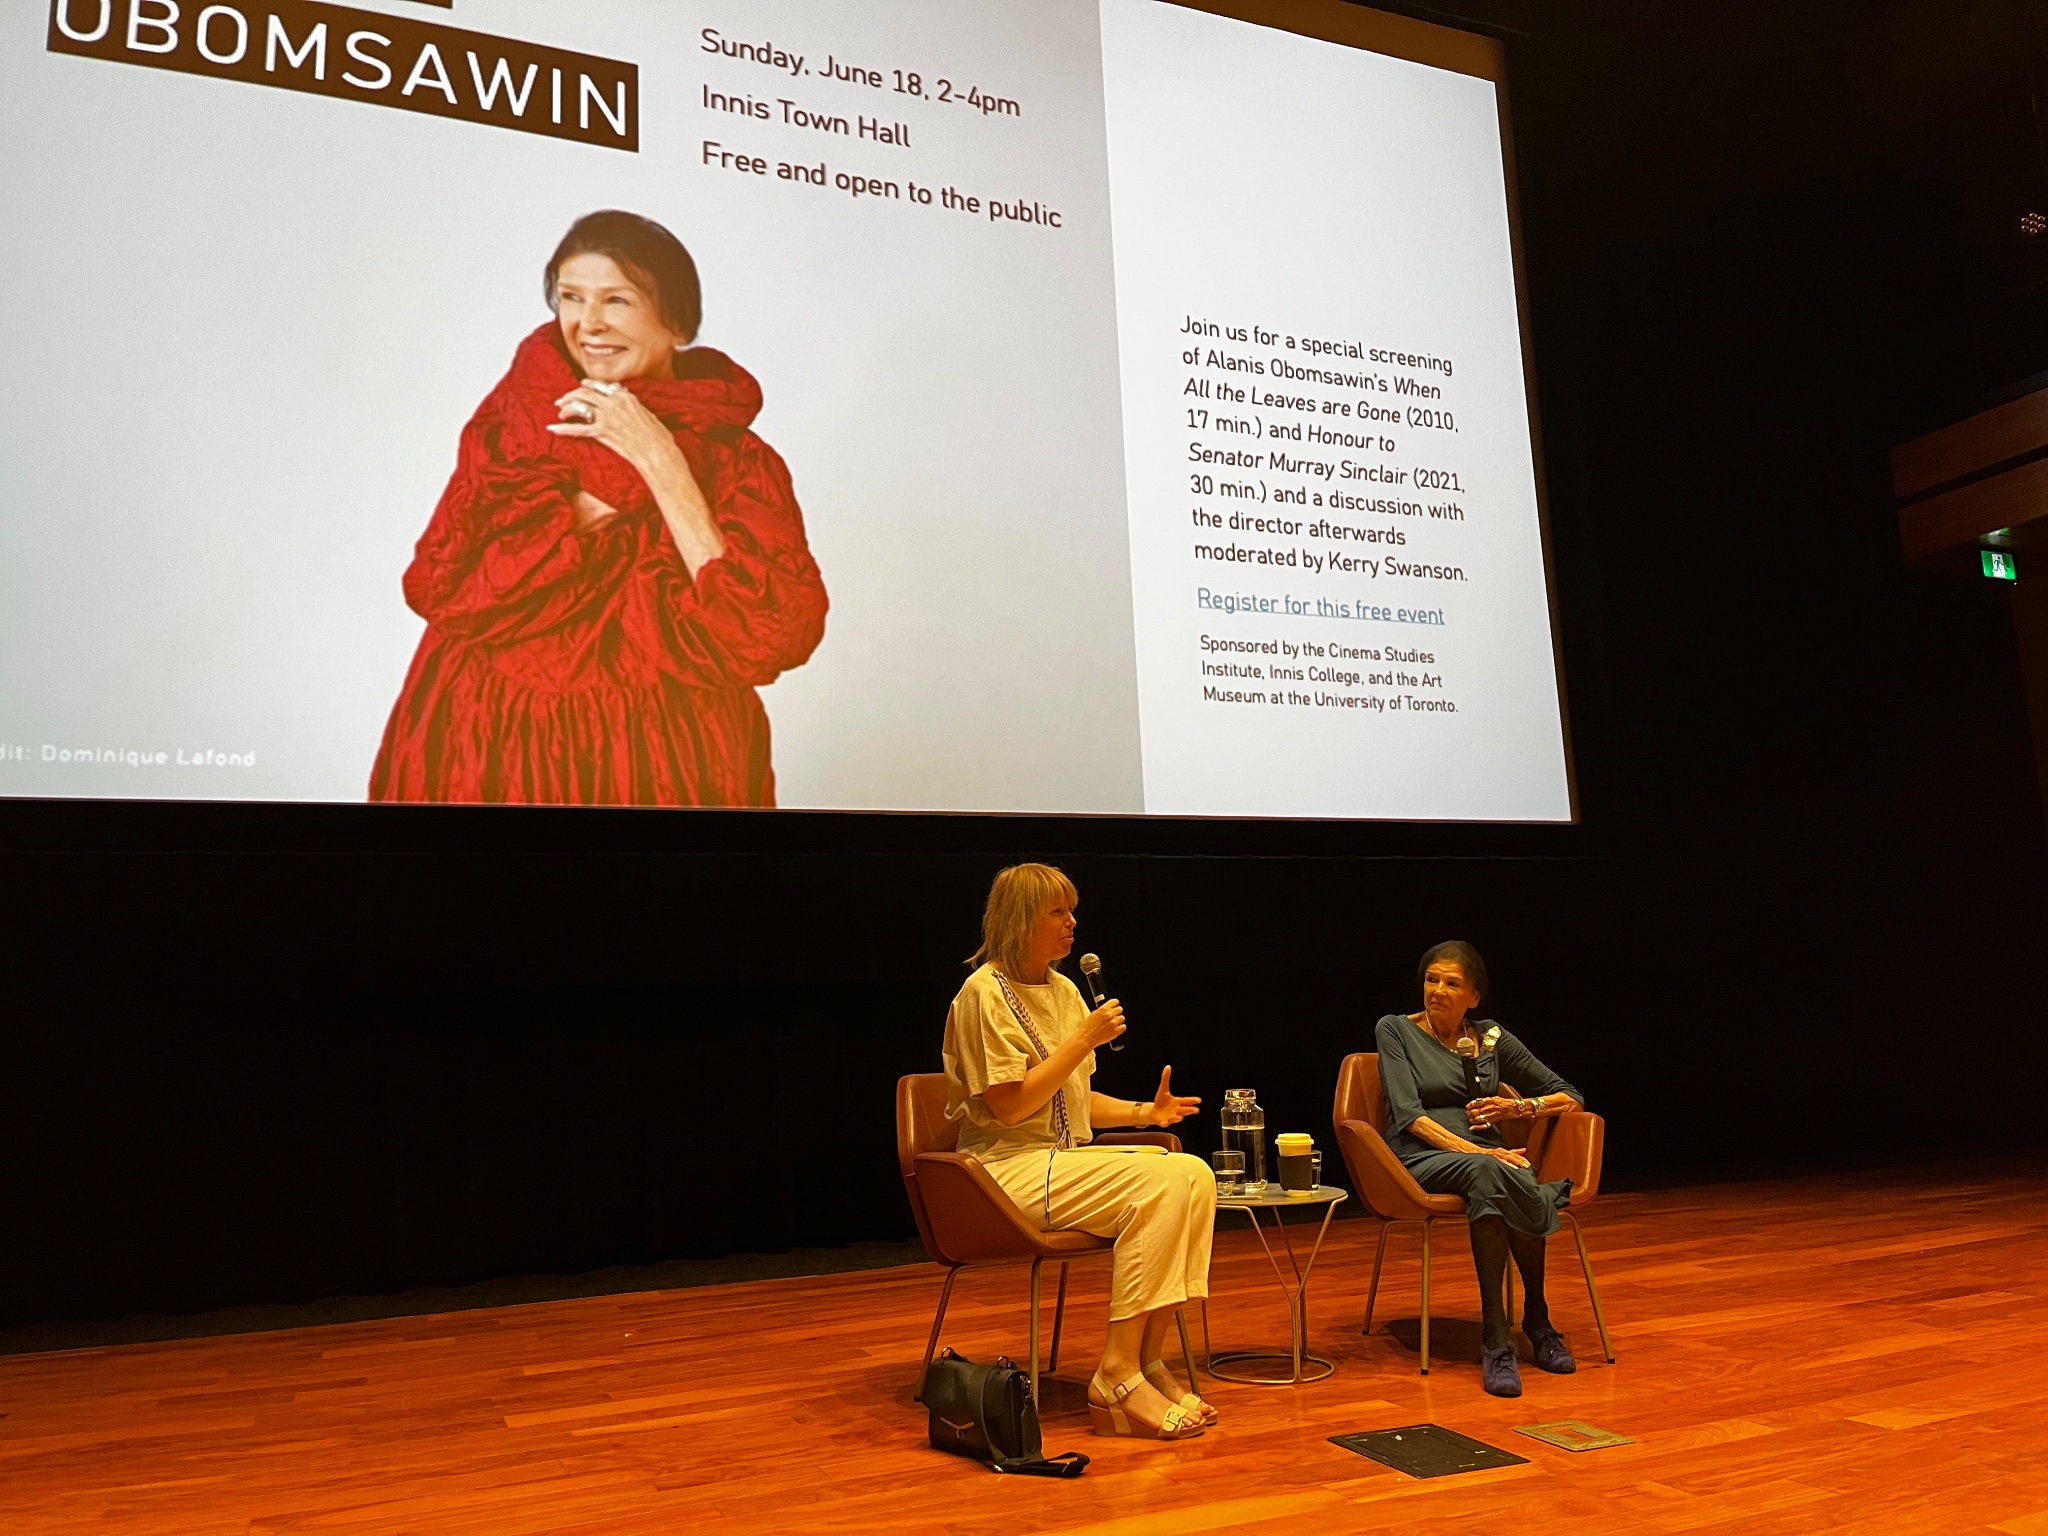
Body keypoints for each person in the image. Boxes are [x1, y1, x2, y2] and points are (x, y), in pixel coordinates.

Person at [371, 210, 828, 806]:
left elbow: (769, 634)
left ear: (678, 324)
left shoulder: (738, 461)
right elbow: (441, 586)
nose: (588, 324)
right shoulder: (513, 424)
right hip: (485, 741)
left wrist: (661, 463)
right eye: (570, 297)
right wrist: (600, 498)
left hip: (660, 761)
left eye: (616, 300)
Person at [942, 863, 1218, 1440]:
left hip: (1059, 1161)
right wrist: (1082, 1040)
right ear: (1022, 920)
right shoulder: (983, 994)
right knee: (1162, 1182)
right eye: (1059, 912)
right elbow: (1013, 1106)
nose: (1074, 923)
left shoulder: (1064, 989)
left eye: (1073, 910)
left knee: (1192, 1174)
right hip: (999, 1170)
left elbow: (1074, 1098)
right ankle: (1115, 1375)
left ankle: (1147, 1359)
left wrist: (1145, 1113)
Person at [1375, 940, 1584, 1398]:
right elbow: (1409, 1116)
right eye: (1432, 980)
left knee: (1503, 1177)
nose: (1438, 991)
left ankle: (1527, 1323)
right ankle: (1503, 1334)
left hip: (1490, 1160)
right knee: (1507, 1174)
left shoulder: (1489, 1037)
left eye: (1452, 983)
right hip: (1421, 1156)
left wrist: (1518, 1108)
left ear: (1474, 996)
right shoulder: (1395, 1030)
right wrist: (1483, 1154)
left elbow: (1569, 1095)